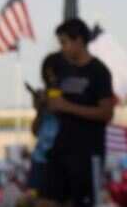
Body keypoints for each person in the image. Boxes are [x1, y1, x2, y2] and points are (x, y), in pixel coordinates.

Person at [40, 18, 115, 207]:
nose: (62, 48)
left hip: (87, 153)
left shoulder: (99, 71)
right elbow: (58, 105)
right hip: (61, 147)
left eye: (65, 42)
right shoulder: (64, 70)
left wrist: (68, 107)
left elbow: (106, 113)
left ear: (79, 40)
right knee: (47, 199)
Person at [26, 52, 63, 196]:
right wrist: (40, 109)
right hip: (41, 159)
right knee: (34, 198)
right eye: (48, 76)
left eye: (55, 74)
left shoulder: (69, 93)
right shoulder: (44, 95)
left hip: (62, 159)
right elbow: (35, 131)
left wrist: (50, 102)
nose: (52, 79)